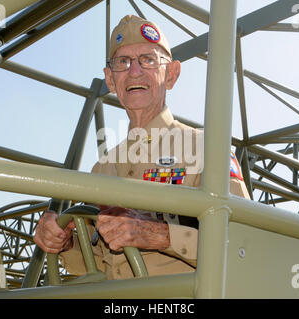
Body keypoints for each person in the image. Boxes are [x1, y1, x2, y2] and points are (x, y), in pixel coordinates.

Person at [33, 15, 250, 280]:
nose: (134, 71)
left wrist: (161, 236)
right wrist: (63, 242)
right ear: (111, 81)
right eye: (123, 62)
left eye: (148, 60)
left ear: (171, 74)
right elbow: (95, 261)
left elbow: (242, 243)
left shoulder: (206, 148)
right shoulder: (102, 168)